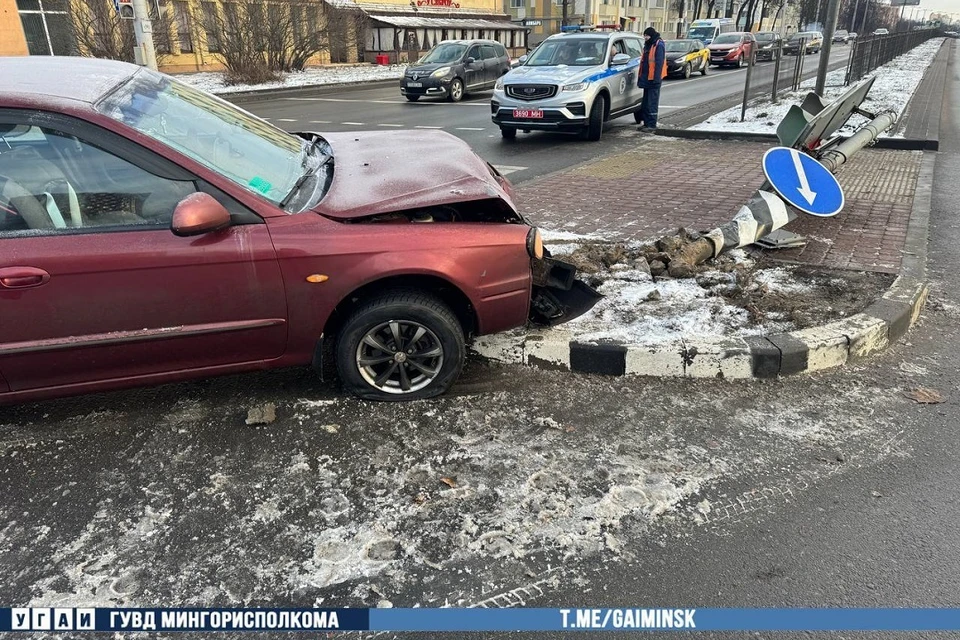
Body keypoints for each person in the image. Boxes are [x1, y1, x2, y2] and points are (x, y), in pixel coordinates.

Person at [637, 26, 667, 131]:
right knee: (645, 103)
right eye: (644, 35)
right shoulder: (648, 45)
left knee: (652, 103)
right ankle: (646, 123)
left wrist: (656, 78)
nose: (645, 37)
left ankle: (651, 124)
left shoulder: (658, 44)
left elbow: (659, 63)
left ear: (651, 35)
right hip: (646, 78)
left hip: (654, 79)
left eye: (647, 35)